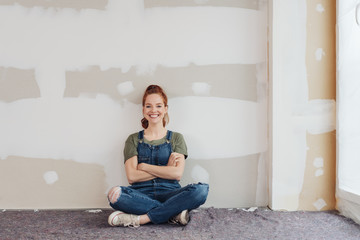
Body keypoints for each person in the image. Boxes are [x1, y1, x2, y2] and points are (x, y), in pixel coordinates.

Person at [107, 85, 209, 227]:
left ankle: (141, 219)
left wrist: (145, 167)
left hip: (171, 193)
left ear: (165, 108)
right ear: (143, 110)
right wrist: (166, 168)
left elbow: (177, 174)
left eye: (159, 106)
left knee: (201, 190)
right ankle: (173, 213)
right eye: (148, 106)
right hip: (141, 195)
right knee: (115, 194)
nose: (153, 110)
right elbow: (132, 177)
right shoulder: (133, 139)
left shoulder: (176, 138)